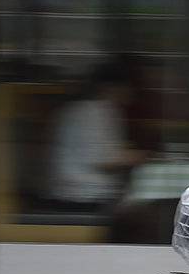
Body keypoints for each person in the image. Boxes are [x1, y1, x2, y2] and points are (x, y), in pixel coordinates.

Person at [46, 63, 149, 213]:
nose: (132, 92)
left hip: (79, 193)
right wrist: (139, 156)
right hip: (81, 196)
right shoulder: (94, 112)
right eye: (129, 86)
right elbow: (98, 158)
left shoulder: (86, 109)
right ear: (111, 87)